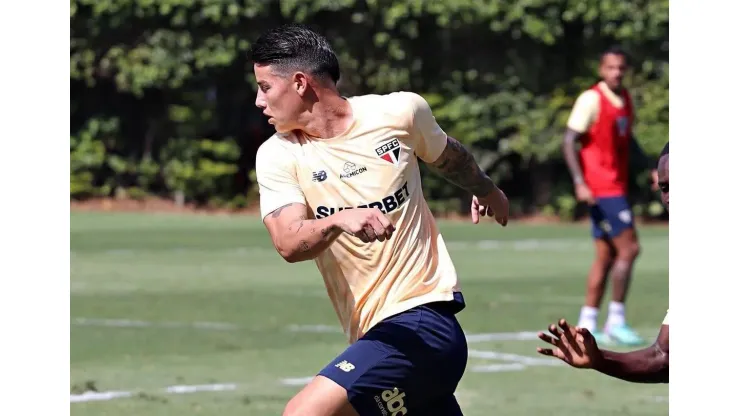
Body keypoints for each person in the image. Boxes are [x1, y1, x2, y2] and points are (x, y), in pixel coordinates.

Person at [249, 24, 509, 416]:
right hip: (376, 338)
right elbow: (288, 241)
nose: (258, 100)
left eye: (265, 87)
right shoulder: (278, 155)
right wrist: (338, 220)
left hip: (423, 324)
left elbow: (448, 156)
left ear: (300, 83)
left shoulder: (399, 112)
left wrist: (488, 190)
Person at [536, 142, 669, 383]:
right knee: (609, 253)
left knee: (627, 249)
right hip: (603, 190)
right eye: (664, 187)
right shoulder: (593, 103)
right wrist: (599, 360)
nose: (669, 198)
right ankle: (602, 318)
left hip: (611, 190)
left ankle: (614, 319)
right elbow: (665, 359)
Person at [562, 46, 658, 346]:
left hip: (617, 186)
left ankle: (587, 323)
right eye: (611, 67)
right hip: (601, 189)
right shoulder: (591, 99)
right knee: (630, 249)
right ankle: (616, 321)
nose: (616, 72)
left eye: (621, 68)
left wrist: (653, 169)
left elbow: (629, 143)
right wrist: (580, 182)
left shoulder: (625, 100)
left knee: (605, 256)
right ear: (602, 70)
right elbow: (568, 141)